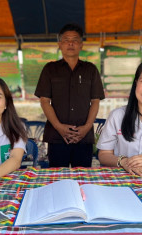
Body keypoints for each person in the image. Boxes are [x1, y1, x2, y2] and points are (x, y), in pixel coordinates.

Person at [34, 23, 105, 167]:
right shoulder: (50, 69)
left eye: (75, 40)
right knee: (58, 178)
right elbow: (44, 101)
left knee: (83, 178)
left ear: (81, 45)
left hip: (83, 137)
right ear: (60, 44)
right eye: (66, 39)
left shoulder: (90, 70)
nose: (70, 43)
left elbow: (95, 101)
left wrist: (86, 127)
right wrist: (58, 126)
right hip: (57, 137)